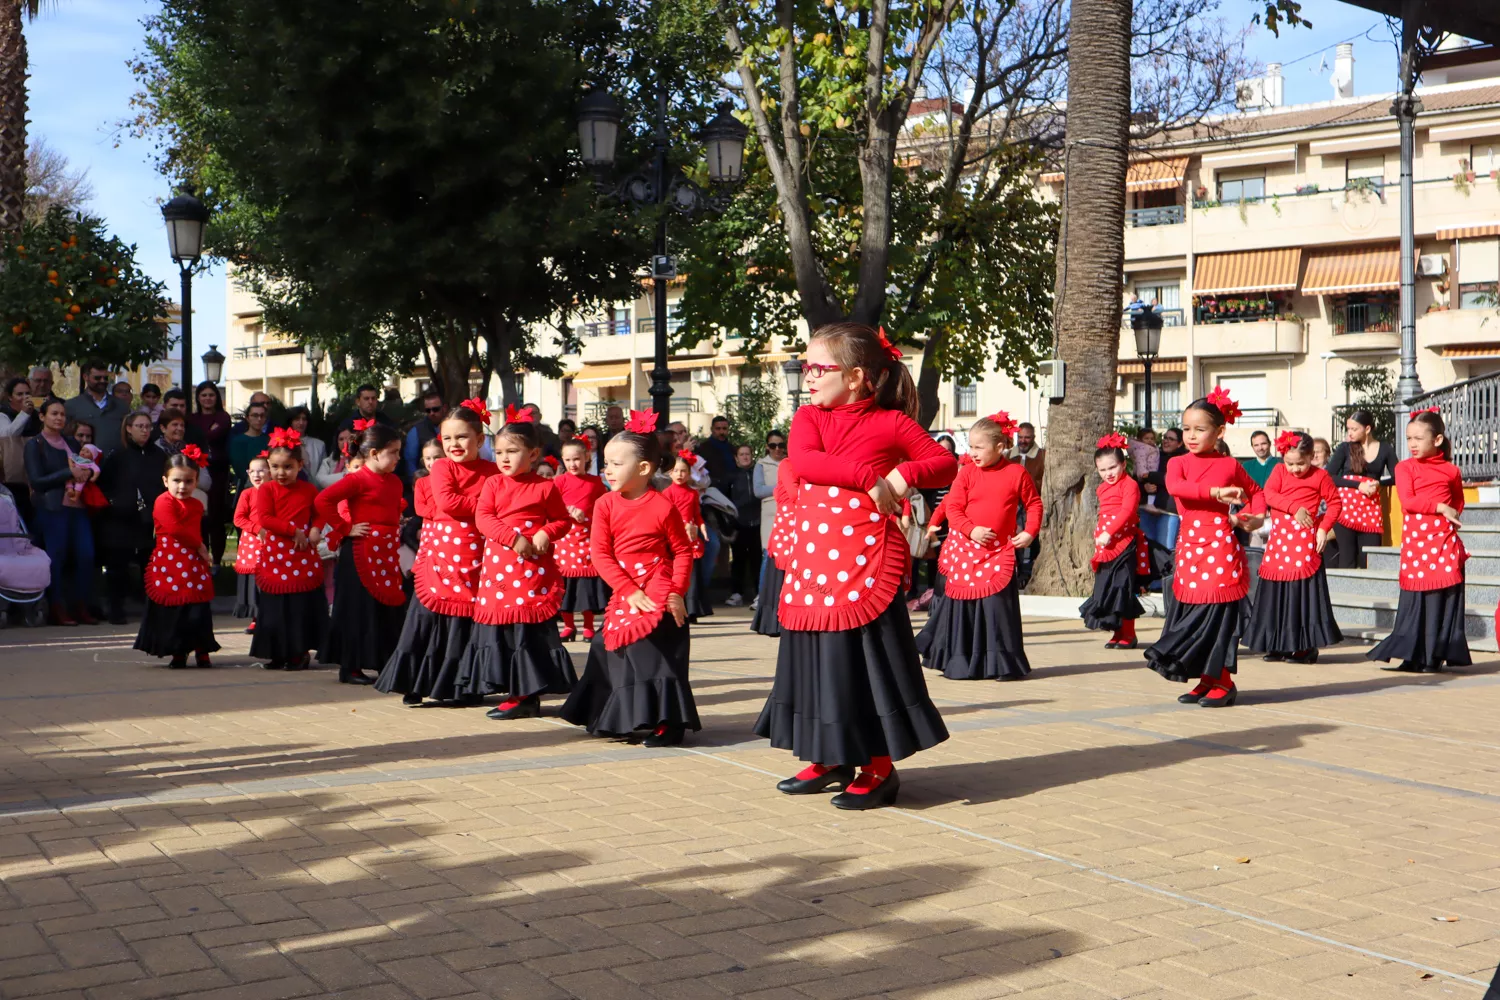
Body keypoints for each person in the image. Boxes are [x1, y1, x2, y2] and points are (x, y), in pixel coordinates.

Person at [755, 323, 957, 810]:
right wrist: (870, 479)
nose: (807, 375)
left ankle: (878, 767)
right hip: (814, 562)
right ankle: (829, 757)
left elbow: (944, 464)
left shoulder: (891, 423)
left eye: (817, 367)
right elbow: (804, 462)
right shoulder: (809, 419)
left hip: (867, 561)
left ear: (856, 376)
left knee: (865, 662)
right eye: (805, 366)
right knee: (814, 659)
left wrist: (904, 475)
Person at [559, 414, 698, 746]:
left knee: (649, 646)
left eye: (616, 463)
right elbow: (601, 554)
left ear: (644, 469)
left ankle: (669, 721)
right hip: (627, 588)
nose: (606, 469)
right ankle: (616, 715)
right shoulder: (604, 504)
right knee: (603, 645)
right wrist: (627, 589)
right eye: (605, 462)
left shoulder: (663, 507)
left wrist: (677, 592)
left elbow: (682, 551)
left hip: (658, 583)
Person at [1143, 388, 1262, 708]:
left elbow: (1256, 493)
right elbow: (1177, 487)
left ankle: (1222, 681)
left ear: (1219, 431)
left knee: (1216, 616)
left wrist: (1254, 518)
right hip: (1191, 550)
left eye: (1200, 429)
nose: (1191, 435)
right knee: (1194, 614)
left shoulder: (1230, 465)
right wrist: (1217, 493)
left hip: (1221, 550)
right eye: (1186, 428)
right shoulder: (1178, 463)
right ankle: (1207, 679)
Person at [376, 401, 498, 705]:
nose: (454, 445)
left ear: (480, 439)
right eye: (447, 438)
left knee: (464, 624)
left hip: (477, 559)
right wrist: (485, 507)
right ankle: (414, 683)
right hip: (440, 559)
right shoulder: (442, 467)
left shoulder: (493, 472)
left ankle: (461, 686)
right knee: (425, 618)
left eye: (462, 437)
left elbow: (499, 506)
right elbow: (448, 503)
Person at [461, 413, 577, 718]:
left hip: (531, 572)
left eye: (512, 452)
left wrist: (545, 532)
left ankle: (527, 694)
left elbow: (563, 521)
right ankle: (516, 692)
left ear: (534, 454)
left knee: (528, 631)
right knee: (505, 633)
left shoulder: (545, 487)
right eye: (499, 452)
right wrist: (511, 538)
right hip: (500, 570)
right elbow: (483, 518)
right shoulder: (493, 484)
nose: (504, 458)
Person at [915, 412, 1041, 681]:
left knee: (997, 608)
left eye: (978, 447)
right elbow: (954, 507)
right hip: (965, 549)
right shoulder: (967, 473)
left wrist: (1030, 532)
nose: (972, 452)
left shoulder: (1017, 472)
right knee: (965, 609)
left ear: (999, 447)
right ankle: (961, 662)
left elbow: (1034, 504)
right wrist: (971, 530)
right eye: (970, 446)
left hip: (998, 552)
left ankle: (1002, 664)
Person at [1368, 409, 1470, 674]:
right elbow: (1409, 501)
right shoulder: (1405, 468)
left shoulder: (1451, 470)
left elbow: (1458, 501)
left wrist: (1448, 516)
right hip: (1417, 542)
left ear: (1437, 440)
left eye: (1418, 438)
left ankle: (1433, 656)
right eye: (1409, 438)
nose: (1412, 444)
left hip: (1444, 541)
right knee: (1416, 598)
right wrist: (1440, 507)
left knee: (1440, 598)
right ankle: (1412, 655)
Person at [315, 424, 408, 685]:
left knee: (386, 607)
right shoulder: (357, 479)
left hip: (387, 553)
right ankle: (351, 666)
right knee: (357, 610)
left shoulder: (394, 481)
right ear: (375, 453)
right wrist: (346, 528)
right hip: (360, 554)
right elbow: (323, 501)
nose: (399, 458)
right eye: (394, 452)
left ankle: (384, 661)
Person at [1242, 431, 1343, 664]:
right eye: (1290, 464)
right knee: (1276, 594)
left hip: (1305, 543)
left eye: (1301, 463)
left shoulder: (1320, 476)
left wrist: (1323, 528)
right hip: (1280, 542)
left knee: (1299, 596)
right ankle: (1277, 643)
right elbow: (1269, 494)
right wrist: (1293, 507)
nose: (1296, 469)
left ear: (1312, 457)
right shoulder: (1278, 471)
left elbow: (1335, 503)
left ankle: (1303, 647)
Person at [246, 429, 327, 670]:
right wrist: (294, 531)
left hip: (301, 558)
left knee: (299, 607)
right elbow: (266, 518)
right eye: (275, 467)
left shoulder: (309, 490)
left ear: (300, 464)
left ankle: (298, 652)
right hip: (277, 557)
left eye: (288, 467)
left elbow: (320, 514)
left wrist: (315, 529)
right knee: (275, 609)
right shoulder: (267, 490)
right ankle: (277, 652)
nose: (281, 473)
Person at [134, 450, 219, 667]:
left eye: (188, 481)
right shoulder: (164, 501)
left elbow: (195, 531)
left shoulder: (197, 505)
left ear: (196, 481)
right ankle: (178, 651)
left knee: (197, 608)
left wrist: (200, 550)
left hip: (192, 565)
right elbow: (174, 528)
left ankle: (202, 649)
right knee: (175, 609)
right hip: (170, 564)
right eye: (176, 481)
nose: (182, 486)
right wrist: (199, 546)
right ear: (165, 481)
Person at [24, 399, 97, 625]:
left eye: (62, 414)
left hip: (78, 508)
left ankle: (80, 605)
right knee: (56, 558)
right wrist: (68, 472)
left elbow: (83, 466)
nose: (59, 418)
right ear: (42, 416)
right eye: (54, 413)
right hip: (52, 508)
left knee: (86, 555)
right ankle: (56, 607)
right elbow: (36, 480)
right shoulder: (34, 445)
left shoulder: (71, 443)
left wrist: (87, 472)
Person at [97, 411, 167, 625]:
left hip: (150, 520)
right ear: (129, 428)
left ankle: (154, 609)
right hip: (121, 519)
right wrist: (115, 502)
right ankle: (116, 609)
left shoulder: (159, 455)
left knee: (151, 564)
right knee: (118, 566)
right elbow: (104, 484)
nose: (145, 430)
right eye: (139, 426)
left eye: (148, 426)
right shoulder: (118, 455)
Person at [1079, 434, 1145, 649]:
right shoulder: (1101, 489)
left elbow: (1127, 511)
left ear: (1123, 464)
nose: (1108, 474)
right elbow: (1103, 514)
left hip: (1124, 542)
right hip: (1105, 545)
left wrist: (1110, 532)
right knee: (1107, 588)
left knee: (1122, 589)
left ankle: (1129, 634)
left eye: (1112, 467)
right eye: (1102, 470)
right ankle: (1117, 633)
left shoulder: (1130, 485)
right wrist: (1100, 536)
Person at [554, 439, 609, 641]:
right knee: (566, 587)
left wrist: (587, 518)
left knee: (585, 586)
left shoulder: (595, 483)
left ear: (587, 457)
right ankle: (569, 625)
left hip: (586, 540)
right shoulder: (558, 482)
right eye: (568, 460)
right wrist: (567, 510)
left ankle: (587, 625)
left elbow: (603, 511)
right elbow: (550, 508)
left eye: (577, 459)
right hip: (564, 541)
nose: (573, 464)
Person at [1326, 409, 1395, 570]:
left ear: (1368, 429)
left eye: (1354, 429)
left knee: (1370, 558)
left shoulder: (1385, 449)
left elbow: (1398, 476)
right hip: (1345, 510)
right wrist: (1358, 485)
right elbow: (1329, 476)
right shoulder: (1344, 448)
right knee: (1347, 557)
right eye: (1348, 429)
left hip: (1370, 510)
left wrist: (1379, 483)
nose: (1350, 433)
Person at [751, 453, 797, 637]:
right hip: (787, 531)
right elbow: (794, 493)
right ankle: (775, 621)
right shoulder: (788, 465)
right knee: (780, 573)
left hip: (796, 528)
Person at [664, 449, 712, 621]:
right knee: (679, 572)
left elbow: (696, 514)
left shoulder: (692, 493)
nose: (680, 474)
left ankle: (693, 609)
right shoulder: (667, 494)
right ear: (670, 473)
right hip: (676, 536)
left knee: (693, 574)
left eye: (683, 471)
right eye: (676, 471)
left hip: (692, 537)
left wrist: (702, 526)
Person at [188, 381, 232, 566]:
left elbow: (209, 437)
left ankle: (217, 562)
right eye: (203, 395)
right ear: (198, 398)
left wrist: (203, 434)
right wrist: (207, 432)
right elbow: (199, 437)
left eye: (211, 395)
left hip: (218, 470)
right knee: (200, 515)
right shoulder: (191, 418)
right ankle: (202, 558)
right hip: (197, 469)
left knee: (216, 516)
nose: (207, 398)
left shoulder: (223, 417)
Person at [232, 454, 269, 632]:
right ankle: (256, 617)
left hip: (272, 543)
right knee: (254, 583)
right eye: (252, 471)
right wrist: (257, 529)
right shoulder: (247, 494)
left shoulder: (275, 492)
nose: (256, 474)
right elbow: (238, 518)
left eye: (261, 470)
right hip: (252, 545)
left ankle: (269, 616)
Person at [725, 444, 761, 607]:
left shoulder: (758, 474)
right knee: (738, 560)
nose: (745, 457)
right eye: (742, 454)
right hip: (739, 524)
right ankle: (736, 593)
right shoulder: (731, 476)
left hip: (757, 523)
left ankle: (758, 593)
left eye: (747, 454)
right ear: (736, 457)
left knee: (756, 560)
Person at [402, 388, 446, 477]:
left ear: (444, 408)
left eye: (435, 409)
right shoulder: (416, 431)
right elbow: (410, 462)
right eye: (428, 410)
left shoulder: (453, 425)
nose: (432, 413)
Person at [229, 399, 271, 490]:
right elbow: (240, 470)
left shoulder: (270, 440)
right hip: (247, 487)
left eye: (262, 416)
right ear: (247, 418)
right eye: (255, 415)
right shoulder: (237, 441)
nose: (259, 419)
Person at [695, 415, 737, 490]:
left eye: (724, 429)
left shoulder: (732, 449)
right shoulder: (702, 449)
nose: (721, 432)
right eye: (718, 429)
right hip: (712, 489)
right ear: (712, 429)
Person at [285, 407, 325, 475]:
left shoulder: (319, 445)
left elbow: (323, 471)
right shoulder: (283, 442)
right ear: (290, 422)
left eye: (304, 419)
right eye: (297, 419)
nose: (301, 423)